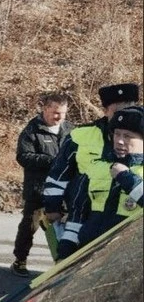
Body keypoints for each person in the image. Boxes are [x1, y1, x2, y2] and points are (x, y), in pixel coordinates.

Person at [43, 82, 140, 249]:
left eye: (129, 109)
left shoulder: (139, 136)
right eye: (117, 111)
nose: (124, 115)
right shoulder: (81, 135)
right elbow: (59, 174)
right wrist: (53, 207)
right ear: (105, 111)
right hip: (82, 214)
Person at [56, 105, 143, 259]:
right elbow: (79, 211)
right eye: (117, 134)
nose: (120, 141)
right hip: (89, 254)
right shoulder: (97, 167)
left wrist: (127, 179)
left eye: (128, 136)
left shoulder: (131, 174)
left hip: (126, 260)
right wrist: (68, 241)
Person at [10, 93, 71, 277]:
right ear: (45, 109)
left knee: (64, 228)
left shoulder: (69, 129)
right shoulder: (32, 130)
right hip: (38, 189)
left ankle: (63, 263)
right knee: (29, 227)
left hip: (64, 189)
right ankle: (20, 260)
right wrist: (51, 161)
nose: (59, 117)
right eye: (55, 113)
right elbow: (23, 156)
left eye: (62, 113)